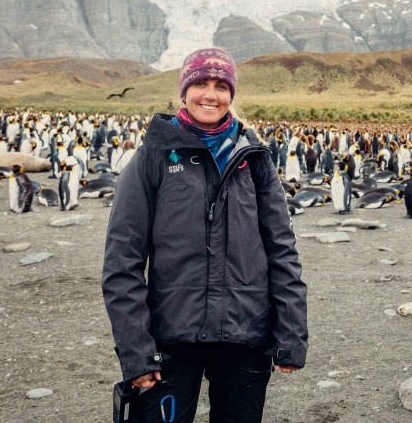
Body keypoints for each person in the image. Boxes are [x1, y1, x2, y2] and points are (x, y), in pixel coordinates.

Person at [102, 47, 308, 423]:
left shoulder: (255, 159)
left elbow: (283, 250)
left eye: (220, 85)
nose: (210, 94)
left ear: (232, 94)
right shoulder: (152, 157)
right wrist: (136, 354)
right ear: (184, 90)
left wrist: (291, 334)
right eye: (200, 83)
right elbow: (122, 261)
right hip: (172, 336)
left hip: (245, 333)